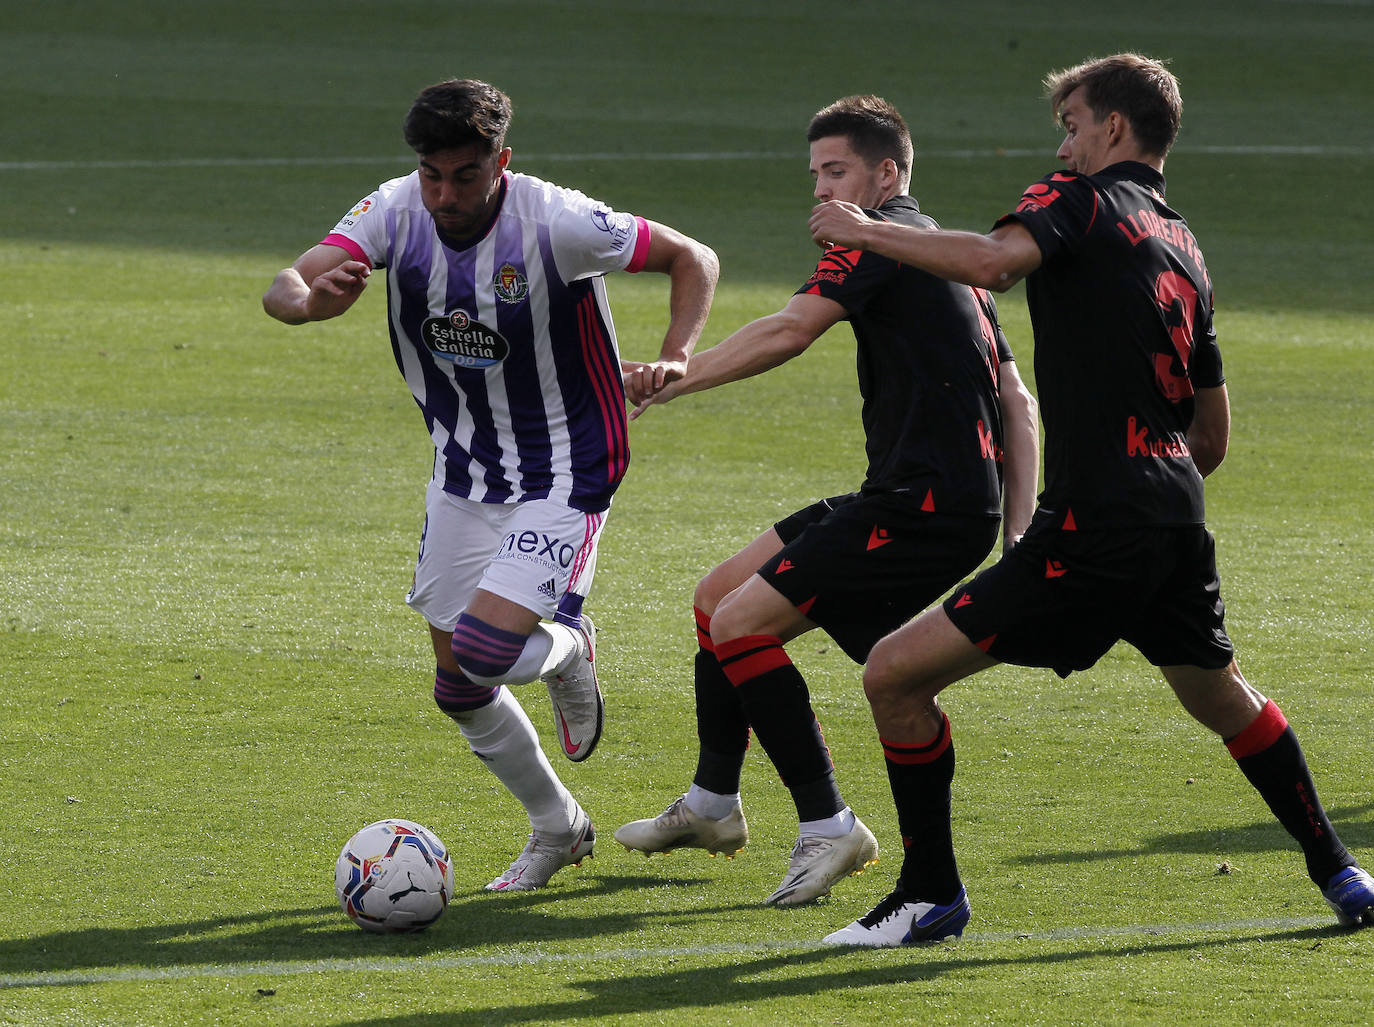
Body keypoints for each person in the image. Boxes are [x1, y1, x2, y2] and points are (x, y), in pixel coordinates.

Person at [807, 55, 1374, 945]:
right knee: (1224, 694)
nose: (1062, 143)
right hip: (1174, 510)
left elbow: (994, 264)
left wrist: (865, 229)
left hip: (1095, 519)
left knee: (892, 673)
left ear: (1113, 127)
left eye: (1071, 122)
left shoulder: (1075, 200)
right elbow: (1214, 437)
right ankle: (1341, 870)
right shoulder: (1185, 245)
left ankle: (930, 894)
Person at [263, 79, 718, 891]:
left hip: (571, 463)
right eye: (432, 175)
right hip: (464, 469)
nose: (445, 194)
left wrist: (676, 352)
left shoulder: (558, 220)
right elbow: (290, 281)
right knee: (457, 685)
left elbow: (695, 258)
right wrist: (308, 304)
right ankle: (557, 826)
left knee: (487, 649)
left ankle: (573, 648)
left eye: (464, 176)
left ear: (500, 164)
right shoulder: (396, 209)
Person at [614, 95, 1039, 907]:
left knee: (744, 624)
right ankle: (712, 803)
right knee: (716, 598)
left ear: (886, 174)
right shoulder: (944, 252)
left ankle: (829, 824)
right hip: (922, 497)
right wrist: (1015, 527)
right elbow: (1017, 404)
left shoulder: (879, 240)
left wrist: (676, 374)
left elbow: (789, 329)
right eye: (815, 175)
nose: (820, 191)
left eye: (835, 171)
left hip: (928, 509)